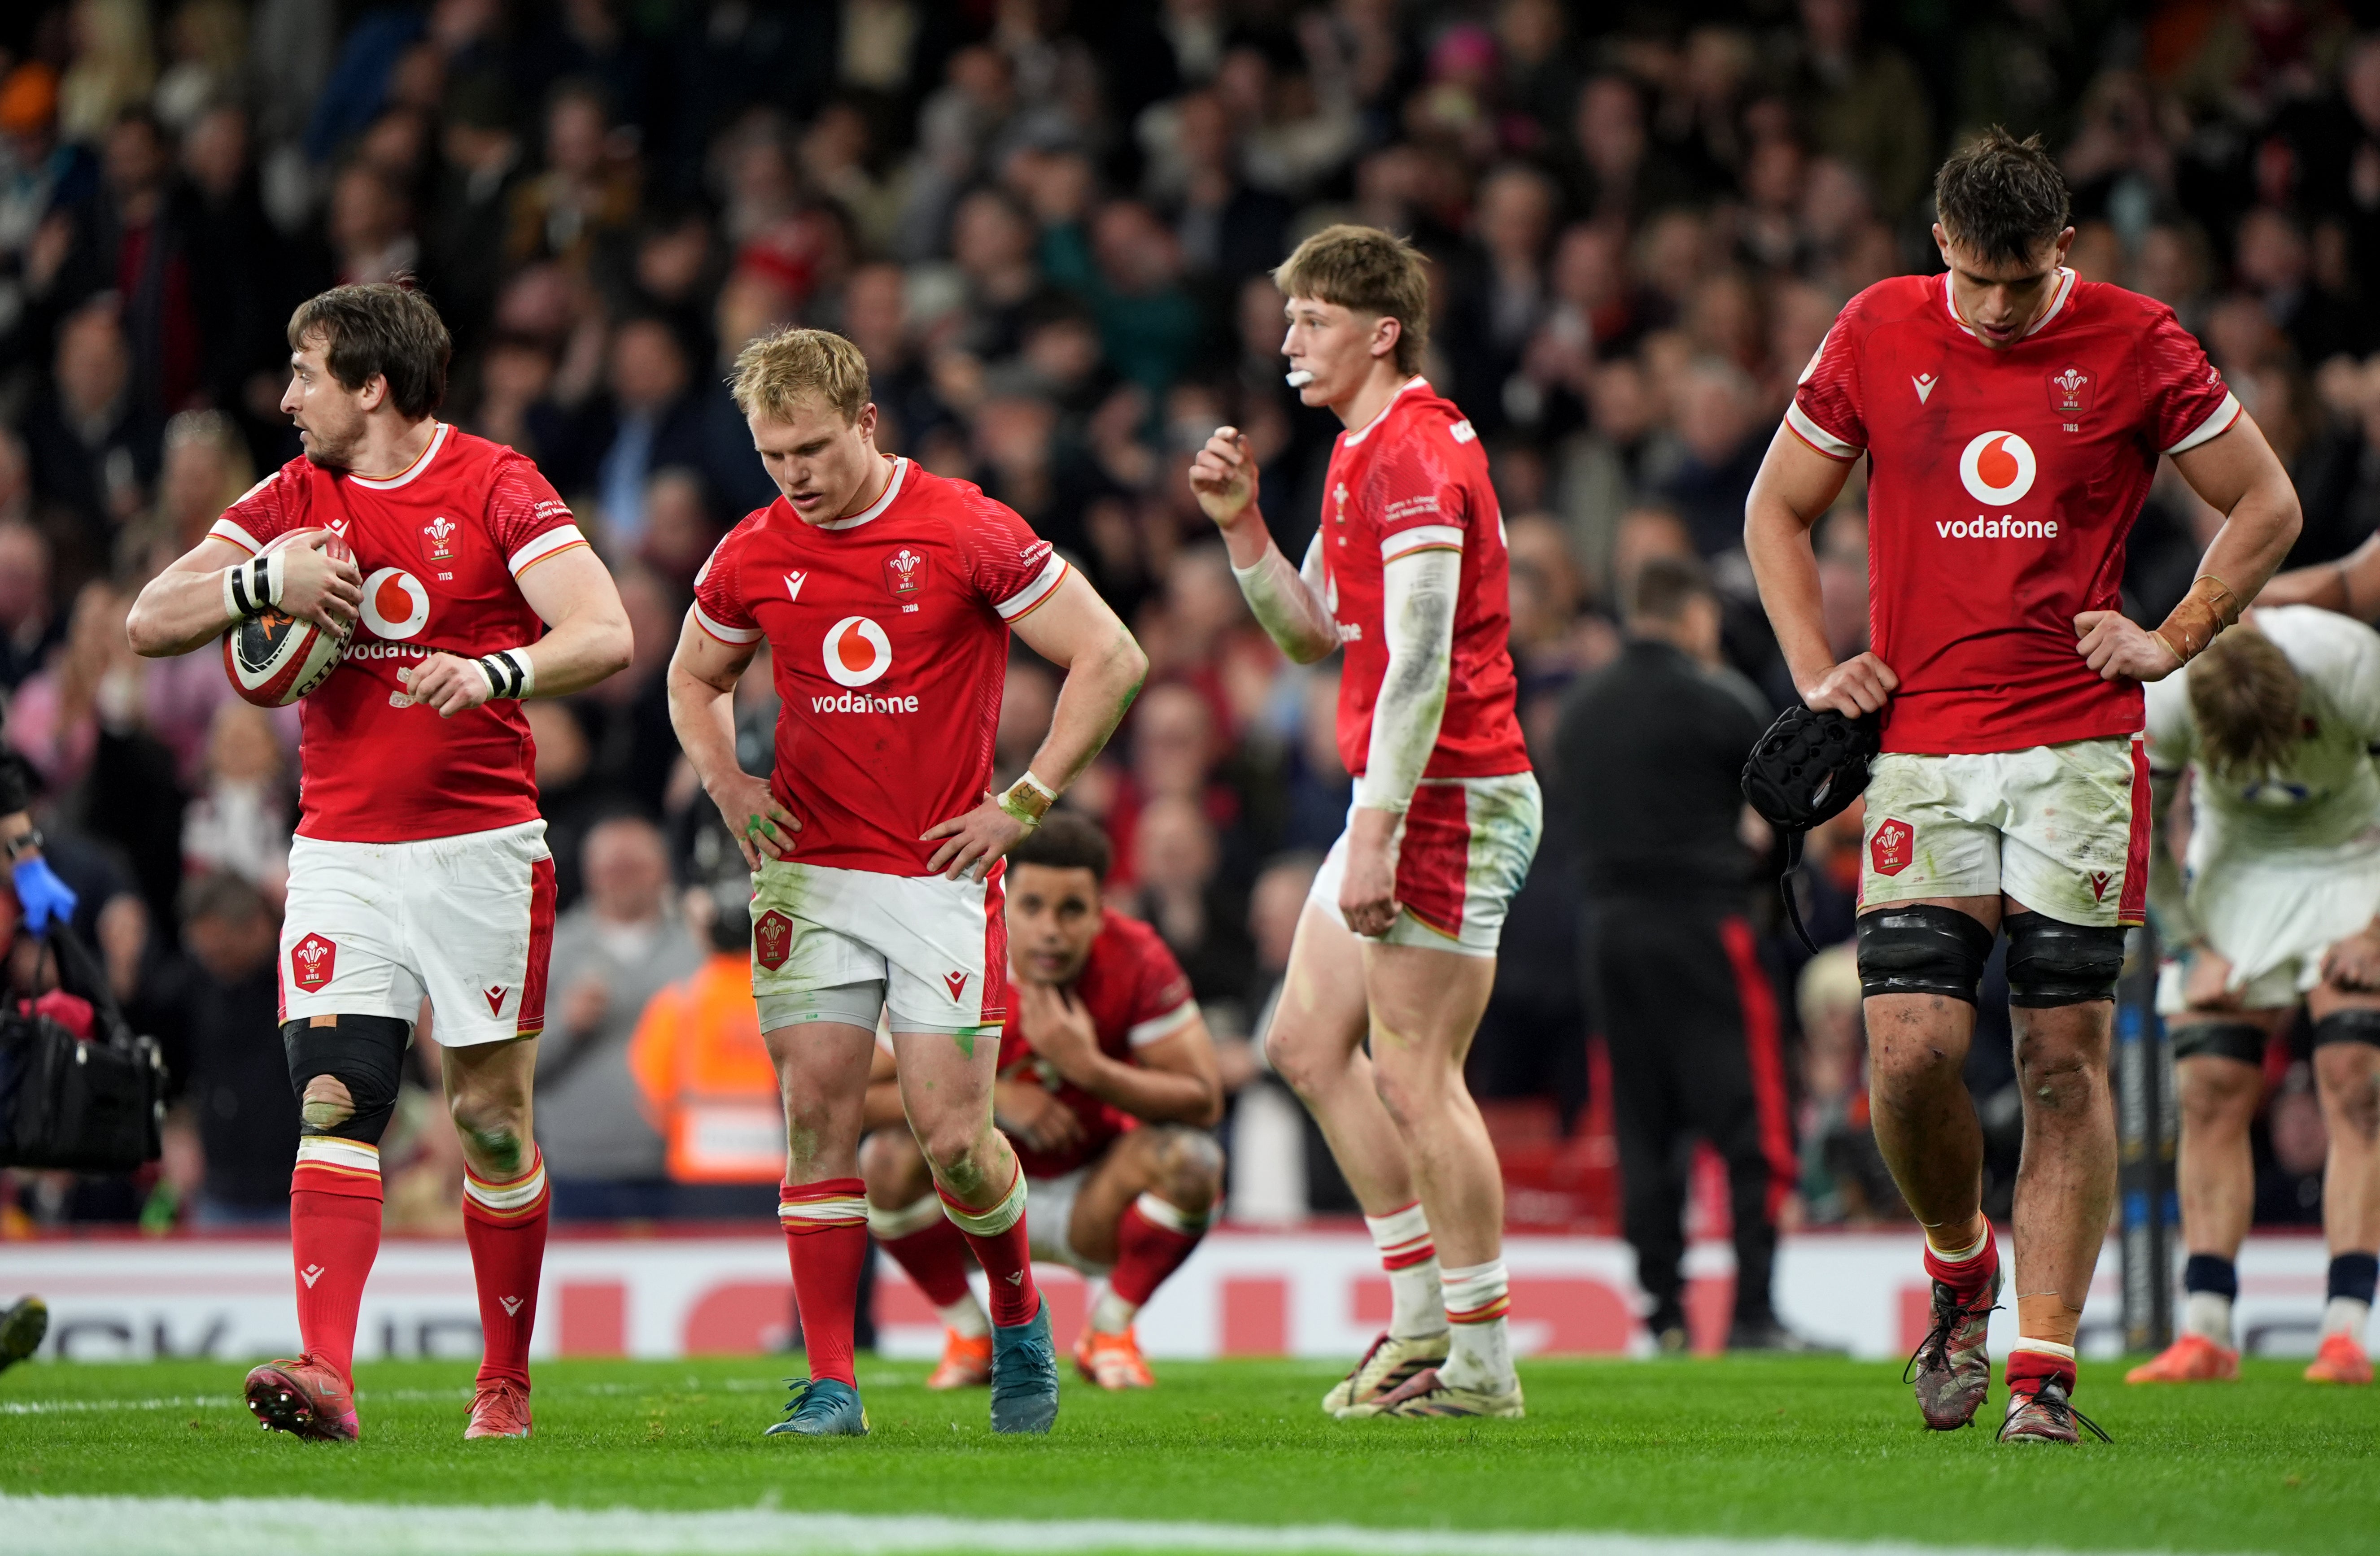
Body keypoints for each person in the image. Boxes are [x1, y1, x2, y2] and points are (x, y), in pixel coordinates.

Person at [1743, 130, 2302, 1444]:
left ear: (2065, 249)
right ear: (1940, 242)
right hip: (1926, 747)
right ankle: (1959, 1266)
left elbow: (2264, 503)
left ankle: (2043, 1375)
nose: (1996, 308)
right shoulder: (1877, 327)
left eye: (2022, 281)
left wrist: (2175, 632)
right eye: (1975, 280)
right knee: (1911, 1054)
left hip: (2075, 748)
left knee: (2059, 1059)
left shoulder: (2139, 339)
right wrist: (1818, 671)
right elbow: (1778, 507)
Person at [125, 281, 635, 1442]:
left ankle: (503, 1378)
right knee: (335, 1092)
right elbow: (152, 617)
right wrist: (268, 581)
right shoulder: (295, 496)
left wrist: (495, 672)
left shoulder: (496, 480)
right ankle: (327, 1367)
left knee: (491, 1119)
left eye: (307, 373)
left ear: (371, 385)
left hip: (481, 848)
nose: (289, 395)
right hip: (342, 849)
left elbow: (604, 631)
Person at [664, 326, 1145, 1438]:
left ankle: (1018, 1316)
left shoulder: (965, 526)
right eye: (773, 453)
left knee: (954, 1141)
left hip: (936, 873)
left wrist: (1023, 801)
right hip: (808, 873)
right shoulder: (750, 551)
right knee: (817, 1120)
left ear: (866, 424)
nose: (795, 475)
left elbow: (1111, 656)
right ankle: (832, 1383)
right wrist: (731, 788)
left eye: (815, 449)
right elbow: (695, 678)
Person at [1189, 225, 1542, 1418]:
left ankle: (1483, 1362)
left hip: (1445, 792)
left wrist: (1381, 824)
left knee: (1415, 1068)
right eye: (1287, 320)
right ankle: (1421, 1320)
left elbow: (1424, 663)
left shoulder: (1415, 454)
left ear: (1381, 330)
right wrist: (1242, 527)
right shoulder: (1360, 452)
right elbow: (1313, 633)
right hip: (1399, 791)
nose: (1289, 341)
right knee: (1303, 1042)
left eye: (1313, 320)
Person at [862, 813, 1225, 1392]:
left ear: (1102, 910)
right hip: (980, 1202)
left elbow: (1204, 1100)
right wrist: (994, 1099)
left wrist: (1089, 1068)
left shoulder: (1137, 957)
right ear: (1001, 899)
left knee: (1195, 1162)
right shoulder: (954, 955)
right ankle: (968, 1335)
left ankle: (1109, 1331)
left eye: (1072, 910)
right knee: (883, 1160)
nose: (1051, 929)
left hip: (1096, 1201)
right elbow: (854, 1099)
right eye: (1032, 907)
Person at [1555, 554, 1805, 1352]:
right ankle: (1752, 1312)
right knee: (1749, 1120)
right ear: (1692, 615)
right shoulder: (1719, 700)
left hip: (1608, 936)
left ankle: (1661, 1312)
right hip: (1703, 928)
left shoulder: (1580, 712)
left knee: (1640, 1123)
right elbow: (1778, 817)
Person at [2127, 610, 2380, 1387]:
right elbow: (2141, 826)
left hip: (2352, 851)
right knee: (2207, 1089)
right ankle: (2204, 1328)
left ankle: (2344, 1332)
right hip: (2236, 863)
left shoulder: (2351, 663)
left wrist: (2373, 929)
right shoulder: (2167, 694)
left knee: (2355, 1079)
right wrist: (2187, 943)